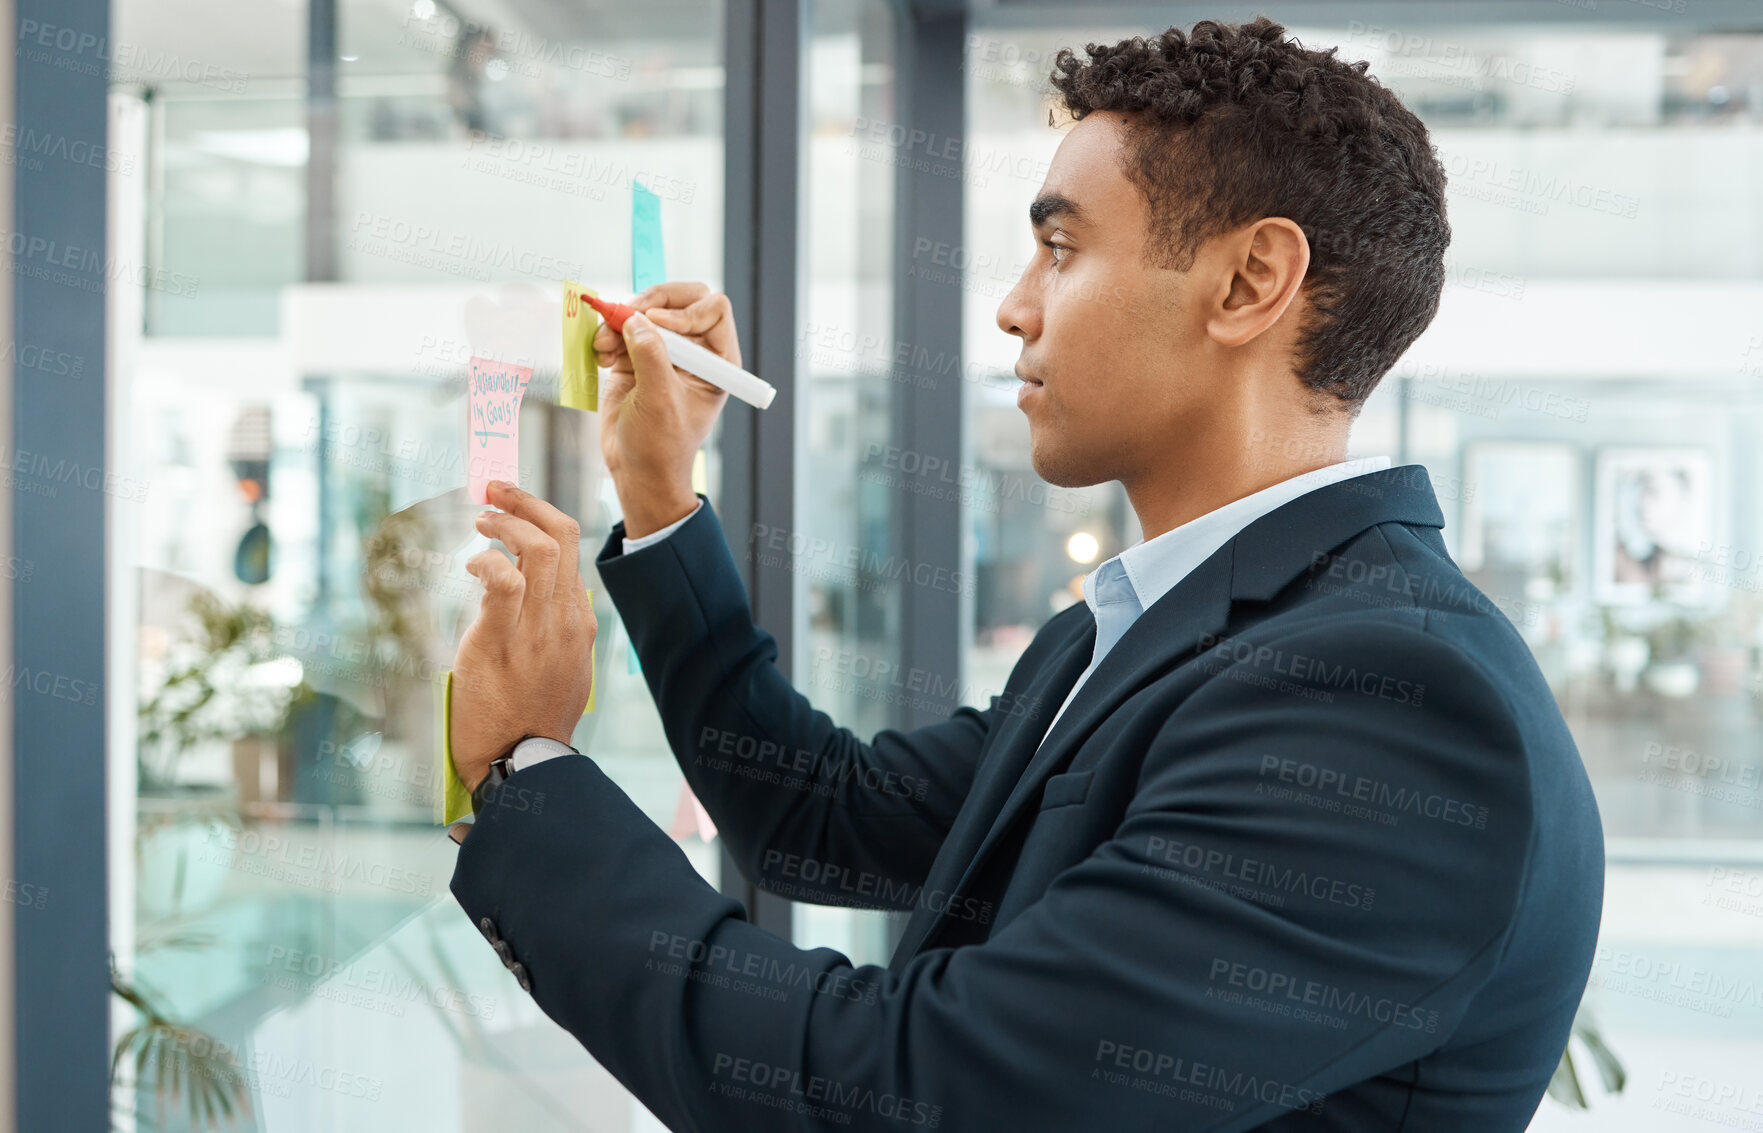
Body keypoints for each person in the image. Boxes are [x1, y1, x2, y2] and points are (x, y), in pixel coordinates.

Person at [444, 17, 1603, 1131]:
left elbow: (920, 1095)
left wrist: (525, 770)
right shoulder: (1149, 632)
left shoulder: (1381, 702)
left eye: (1060, 247)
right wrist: (659, 496)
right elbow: (818, 814)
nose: (1012, 307)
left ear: (1250, 282)